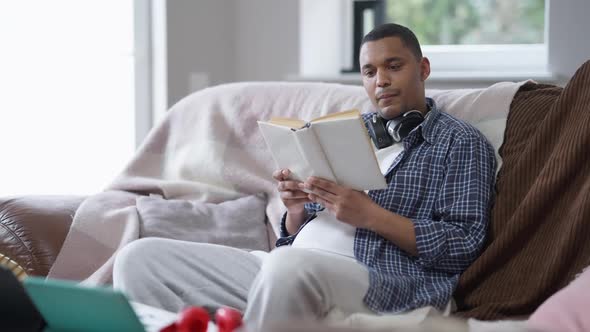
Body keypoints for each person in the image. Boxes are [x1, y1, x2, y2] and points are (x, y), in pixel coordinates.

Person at [112, 23, 496, 328]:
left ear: (423, 68)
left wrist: (372, 216)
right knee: (139, 259)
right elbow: (302, 229)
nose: (381, 80)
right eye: (369, 71)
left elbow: (463, 243)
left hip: (383, 281)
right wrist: (295, 209)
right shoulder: (348, 130)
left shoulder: (459, 143)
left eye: (394, 66)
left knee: (286, 268)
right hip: (288, 265)